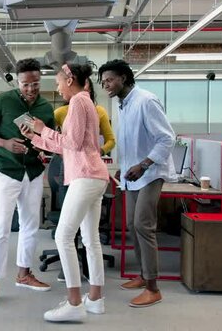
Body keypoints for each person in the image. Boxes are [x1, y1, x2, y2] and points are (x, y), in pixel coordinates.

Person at [20, 63, 109, 322]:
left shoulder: (78, 104)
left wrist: (42, 129)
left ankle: (74, 303)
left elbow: (71, 143)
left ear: (70, 79)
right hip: (94, 176)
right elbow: (69, 146)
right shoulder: (86, 101)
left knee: (63, 237)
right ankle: (95, 299)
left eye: (58, 81)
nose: (57, 87)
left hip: (85, 177)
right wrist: (37, 138)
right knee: (91, 240)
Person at [0, 58, 56, 305]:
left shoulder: (45, 108)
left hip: (32, 173)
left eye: (35, 83)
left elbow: (50, 139)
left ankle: (24, 273)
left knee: (30, 226)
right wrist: (4, 143)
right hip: (7, 172)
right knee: (0, 229)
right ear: (18, 82)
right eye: (25, 84)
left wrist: (44, 150)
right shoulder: (3, 101)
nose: (31, 89)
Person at [98, 59, 176, 308]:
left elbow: (166, 139)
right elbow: (131, 139)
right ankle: (143, 276)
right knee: (131, 224)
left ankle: (153, 288)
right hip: (133, 174)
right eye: (103, 82)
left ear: (124, 77)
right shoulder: (123, 105)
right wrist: (125, 163)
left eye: (109, 80)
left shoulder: (145, 100)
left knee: (144, 225)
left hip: (151, 172)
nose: (105, 85)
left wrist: (142, 164)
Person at [53, 77, 116, 156]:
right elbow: (47, 135)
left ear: (89, 90)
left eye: (84, 88)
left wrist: (100, 151)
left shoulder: (99, 111)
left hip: (89, 161)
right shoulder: (60, 112)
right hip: (67, 160)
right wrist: (58, 149)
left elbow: (111, 140)